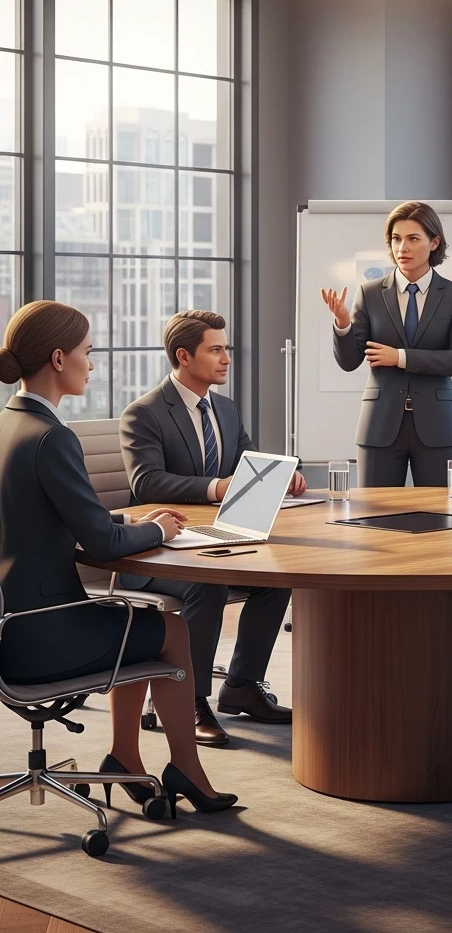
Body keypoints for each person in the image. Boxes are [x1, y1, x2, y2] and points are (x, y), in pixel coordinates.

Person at [0, 301, 235, 816]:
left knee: (139, 621)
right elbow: (102, 548)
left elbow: (58, 518)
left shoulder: (8, 425)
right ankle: (186, 770)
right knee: (170, 631)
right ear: (60, 358)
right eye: (88, 352)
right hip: (43, 633)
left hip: (10, 623)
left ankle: (123, 755)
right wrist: (154, 527)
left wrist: (128, 523)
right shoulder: (51, 437)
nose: (94, 362)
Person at [119, 309, 304, 747]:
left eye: (227, 348)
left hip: (211, 540)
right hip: (153, 551)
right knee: (209, 585)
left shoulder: (224, 407)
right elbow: (145, 482)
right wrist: (216, 488)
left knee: (276, 578)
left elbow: (249, 465)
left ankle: (241, 686)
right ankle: (191, 700)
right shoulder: (143, 413)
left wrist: (279, 476)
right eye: (216, 349)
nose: (226, 358)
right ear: (184, 356)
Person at [322, 200, 452, 487]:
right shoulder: (369, 293)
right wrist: (343, 324)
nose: (402, 247)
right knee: (374, 519)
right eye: (396, 239)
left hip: (438, 427)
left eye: (412, 239)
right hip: (378, 426)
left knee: (441, 518)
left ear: (434, 242)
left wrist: (401, 357)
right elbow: (349, 362)